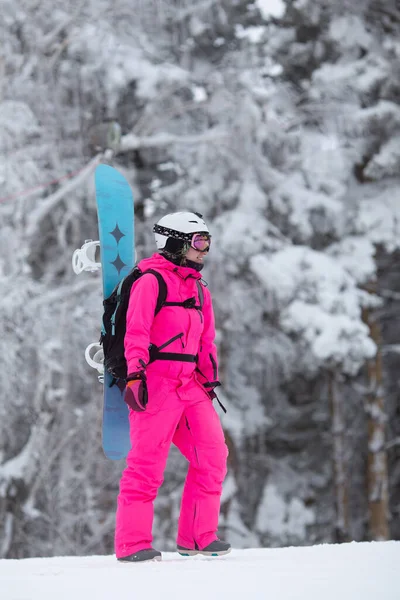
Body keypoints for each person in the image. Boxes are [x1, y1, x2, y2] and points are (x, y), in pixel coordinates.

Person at [114, 211, 230, 563]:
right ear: (177, 243)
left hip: (190, 386)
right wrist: (135, 375)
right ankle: (132, 545)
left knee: (212, 457)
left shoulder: (198, 288)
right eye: (199, 242)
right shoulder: (150, 281)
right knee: (146, 466)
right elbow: (136, 332)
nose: (204, 249)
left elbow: (206, 340)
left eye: (207, 242)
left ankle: (198, 537)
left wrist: (208, 381)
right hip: (156, 383)